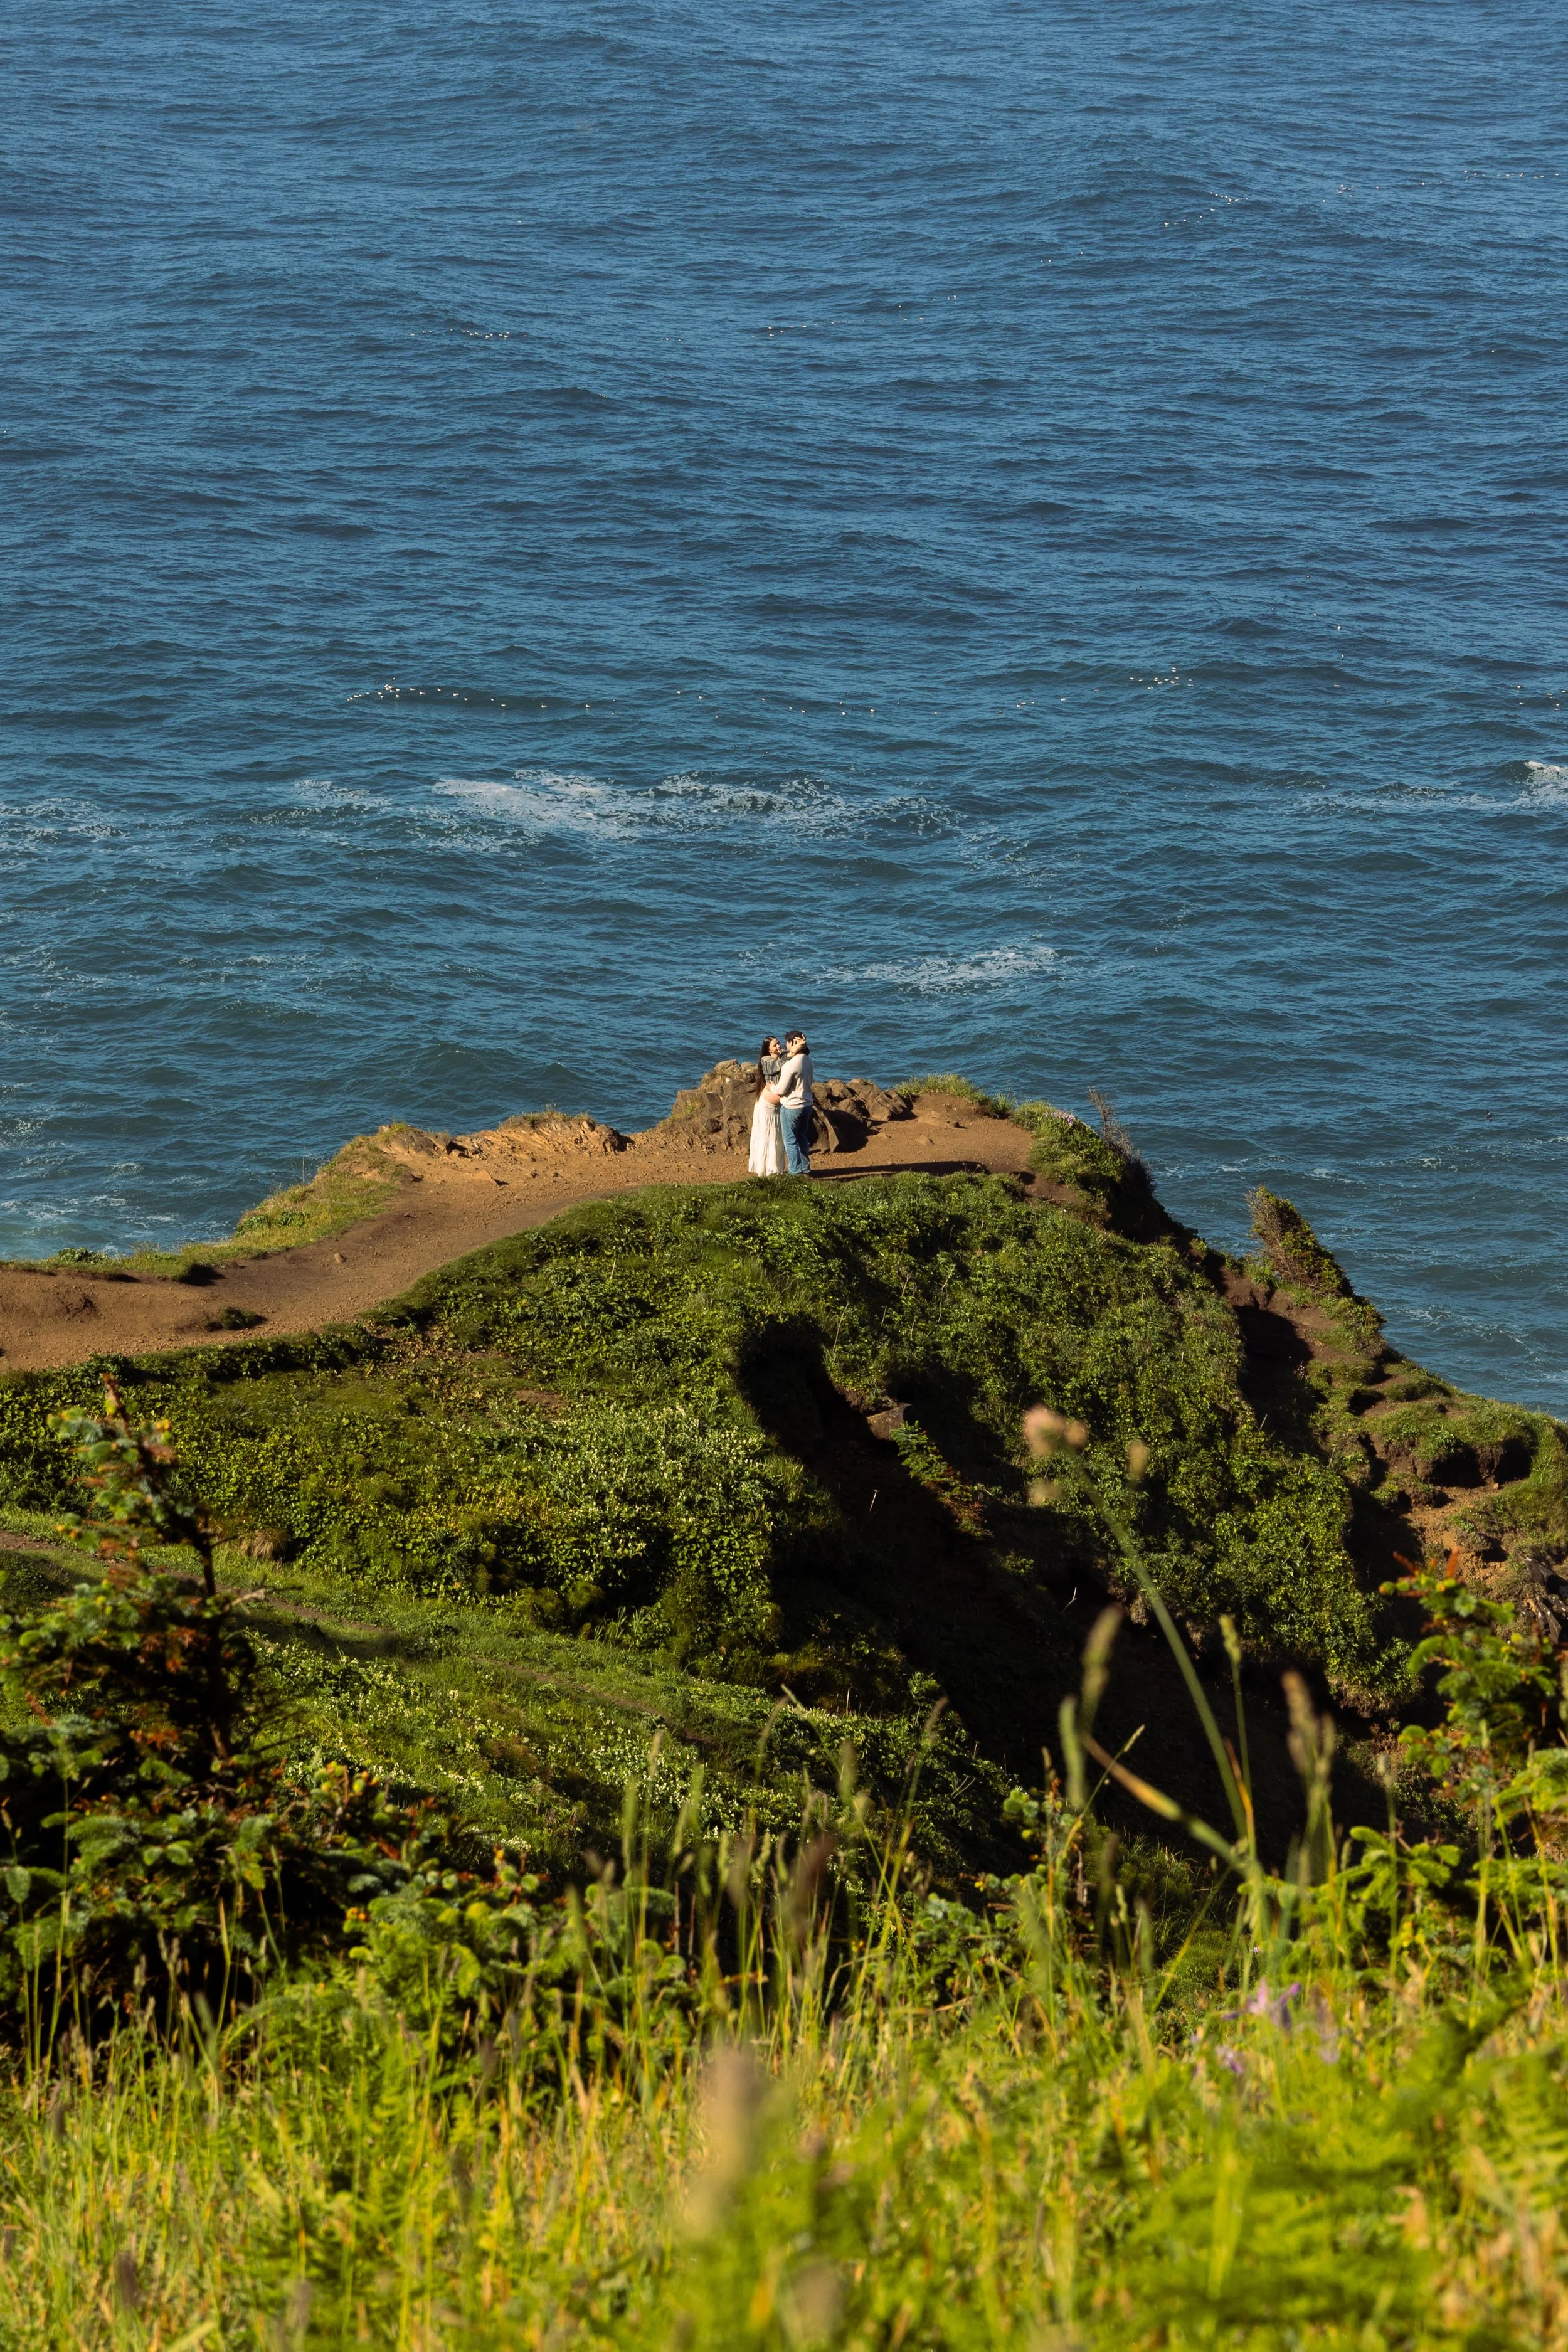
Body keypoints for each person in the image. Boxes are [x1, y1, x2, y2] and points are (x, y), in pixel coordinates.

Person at [768, 1030, 815, 1177]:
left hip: (792, 1106)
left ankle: (795, 1172)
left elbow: (781, 1090)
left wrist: (771, 1087)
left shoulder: (790, 1065)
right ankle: (805, 1169)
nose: (786, 1045)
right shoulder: (809, 1060)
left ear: (793, 1043)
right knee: (802, 1137)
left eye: (788, 1042)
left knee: (790, 1140)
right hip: (807, 1104)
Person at [748, 1036, 786, 1177]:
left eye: (779, 1043)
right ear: (769, 1049)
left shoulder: (781, 1058)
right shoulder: (767, 1061)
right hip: (766, 1107)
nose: (779, 1046)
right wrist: (791, 1054)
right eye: (775, 1045)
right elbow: (777, 1067)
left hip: (776, 1108)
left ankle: (775, 1170)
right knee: (767, 1137)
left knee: (776, 1138)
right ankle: (764, 1171)